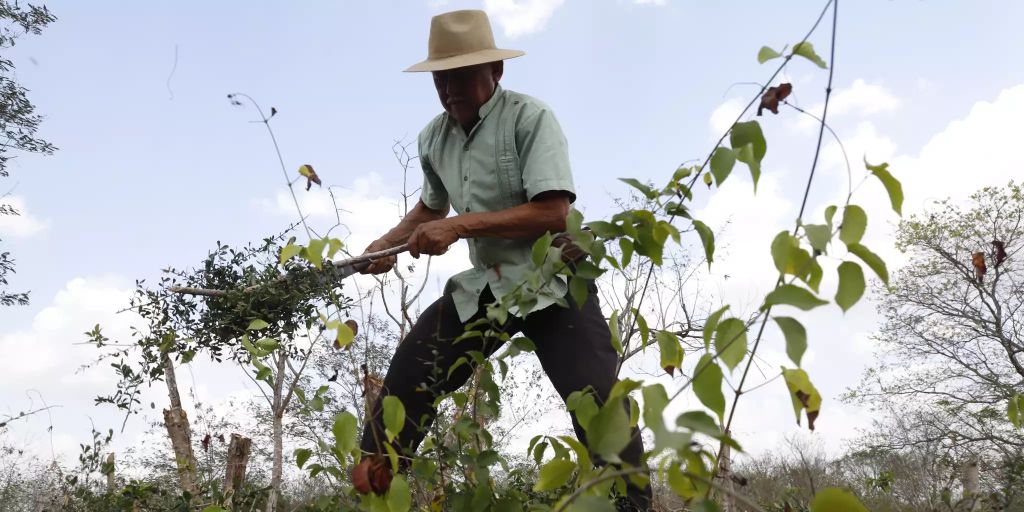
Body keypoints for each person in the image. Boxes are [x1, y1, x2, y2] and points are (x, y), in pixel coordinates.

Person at [356, 9, 652, 510]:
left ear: (495, 71)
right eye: (440, 78)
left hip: (552, 282)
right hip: (484, 288)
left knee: (602, 406)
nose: (449, 88)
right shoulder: (433, 137)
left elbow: (555, 211)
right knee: (408, 379)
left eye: (461, 75)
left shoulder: (530, 117)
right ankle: (375, 494)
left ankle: (632, 506)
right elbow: (432, 206)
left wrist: (458, 227)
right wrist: (383, 245)